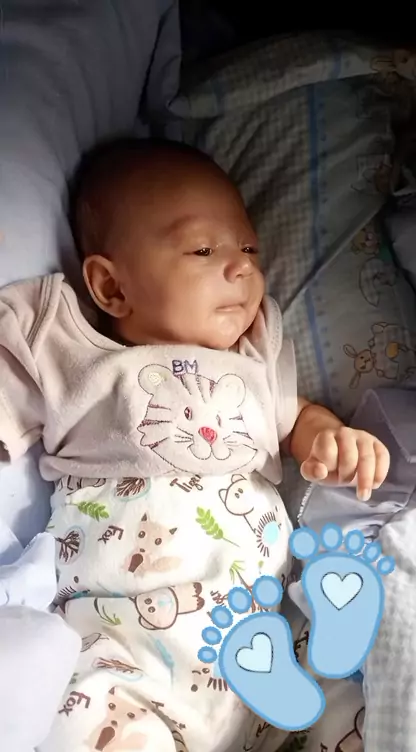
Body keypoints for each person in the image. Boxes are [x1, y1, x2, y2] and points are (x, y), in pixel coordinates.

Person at [0, 138, 389, 751]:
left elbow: (294, 418)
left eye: (249, 249)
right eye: (204, 250)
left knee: (360, 702)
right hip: (127, 655)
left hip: (270, 649)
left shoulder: (254, 356)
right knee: (86, 721)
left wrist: (331, 438)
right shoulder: (74, 355)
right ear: (111, 287)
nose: (242, 268)